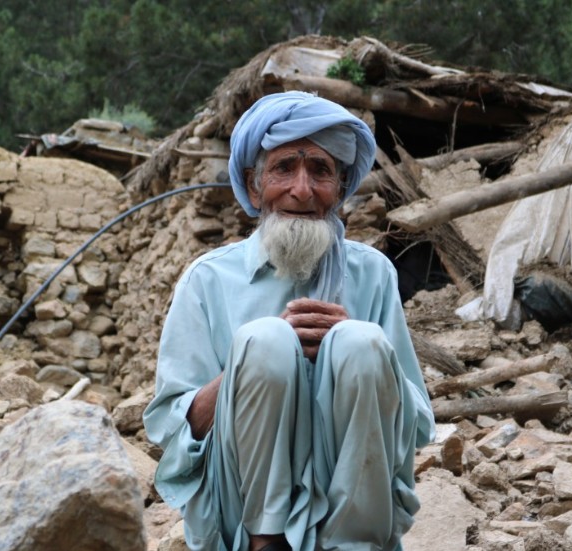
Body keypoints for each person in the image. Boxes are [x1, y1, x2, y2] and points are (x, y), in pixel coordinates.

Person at [144, 91, 435, 551]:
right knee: (264, 339)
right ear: (254, 185)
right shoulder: (208, 280)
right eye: (284, 168)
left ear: (339, 187)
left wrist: (365, 353)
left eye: (320, 170)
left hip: (359, 505)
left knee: (361, 342)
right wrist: (249, 367)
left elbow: (416, 424)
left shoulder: (373, 274)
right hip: (240, 509)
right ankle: (268, 540)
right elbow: (169, 426)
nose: (302, 189)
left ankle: (353, 543)